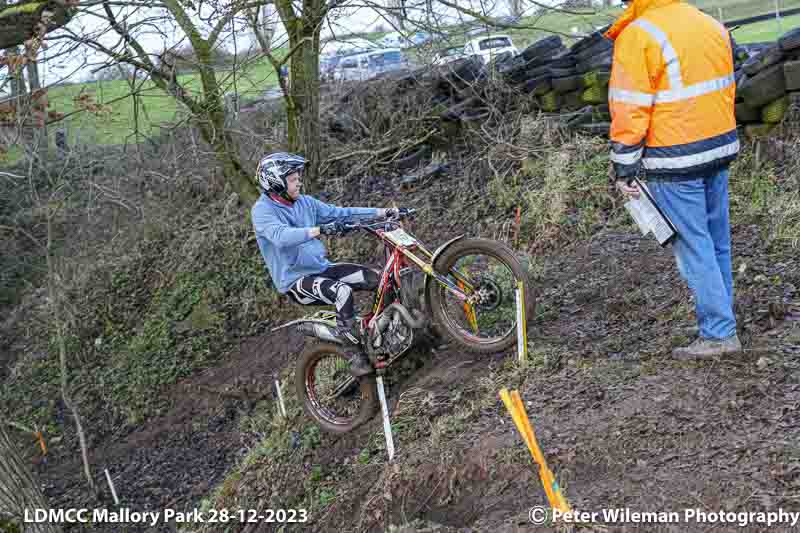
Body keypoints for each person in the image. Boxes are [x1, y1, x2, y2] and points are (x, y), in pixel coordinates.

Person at [606, 0, 741, 359]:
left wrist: (624, 166)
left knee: (695, 247)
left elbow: (629, 108)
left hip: (674, 159)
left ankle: (718, 334)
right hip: (717, 150)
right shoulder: (708, 24)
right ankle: (723, 322)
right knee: (716, 242)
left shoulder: (638, 35)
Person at [251, 152, 401, 376]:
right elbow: (281, 237)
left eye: (297, 177)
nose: (299, 182)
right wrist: (319, 229)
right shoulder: (262, 211)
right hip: (296, 280)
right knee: (342, 292)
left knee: (379, 280)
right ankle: (354, 355)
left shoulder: (305, 202)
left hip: (322, 268)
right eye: (293, 179)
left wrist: (383, 212)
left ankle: (383, 335)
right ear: (276, 183)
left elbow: (341, 214)